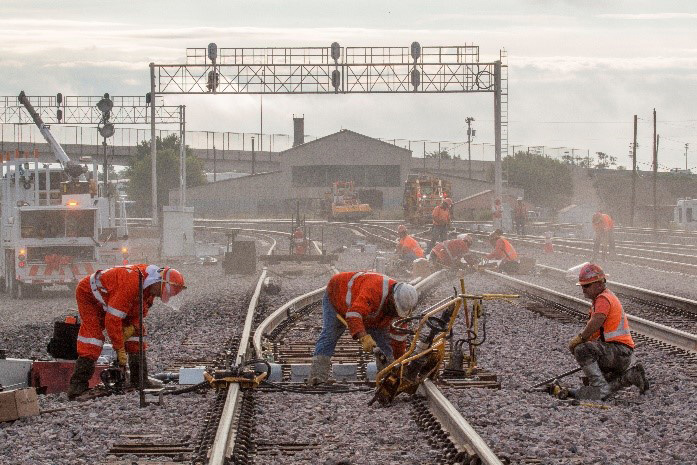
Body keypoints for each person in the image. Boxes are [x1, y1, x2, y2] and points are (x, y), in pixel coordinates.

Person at [67, 264, 186, 399]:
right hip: (90, 295)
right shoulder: (131, 283)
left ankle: (139, 380)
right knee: (93, 339)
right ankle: (77, 388)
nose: (160, 296)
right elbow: (113, 319)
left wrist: (134, 327)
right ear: (158, 282)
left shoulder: (149, 287)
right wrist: (119, 348)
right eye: (163, 292)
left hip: (111, 296)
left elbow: (138, 311)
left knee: (137, 334)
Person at [307, 271, 419, 385]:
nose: (395, 313)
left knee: (385, 344)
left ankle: (386, 380)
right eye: (395, 309)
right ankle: (317, 378)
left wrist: (401, 366)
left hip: (370, 312)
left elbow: (398, 343)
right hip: (337, 295)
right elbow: (353, 315)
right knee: (330, 336)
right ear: (391, 298)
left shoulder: (396, 312)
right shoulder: (374, 289)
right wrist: (364, 337)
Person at [567, 263, 649, 400]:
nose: (583, 289)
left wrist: (580, 339)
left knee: (582, 350)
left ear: (599, 284)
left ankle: (599, 389)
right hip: (621, 353)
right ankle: (631, 375)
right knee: (604, 380)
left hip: (619, 352)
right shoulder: (604, 298)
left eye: (586, 286)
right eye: (582, 286)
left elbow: (597, 320)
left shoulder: (603, 299)